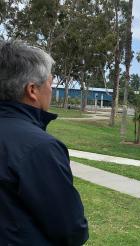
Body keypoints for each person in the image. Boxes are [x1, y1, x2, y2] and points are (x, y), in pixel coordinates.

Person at [0, 40, 88, 244]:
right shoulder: (39, 148)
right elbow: (72, 229)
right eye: (50, 83)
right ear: (32, 90)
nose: (51, 90)